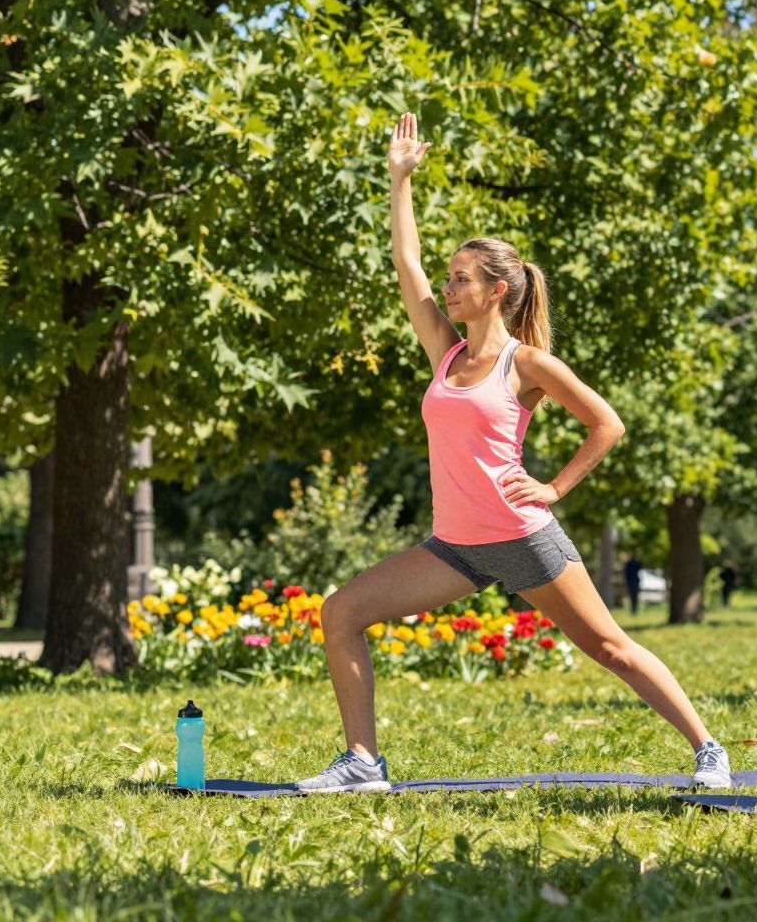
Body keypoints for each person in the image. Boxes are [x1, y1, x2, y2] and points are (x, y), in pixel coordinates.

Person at [294, 113, 731, 793]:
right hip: (454, 549)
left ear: (497, 290)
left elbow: (606, 425)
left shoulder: (526, 363)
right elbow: (405, 266)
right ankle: (362, 762)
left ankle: (708, 749)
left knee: (609, 646)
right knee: (342, 611)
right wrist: (399, 180)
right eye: (450, 278)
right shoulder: (447, 352)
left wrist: (555, 487)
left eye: (462, 279)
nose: (448, 287)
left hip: (522, 536)